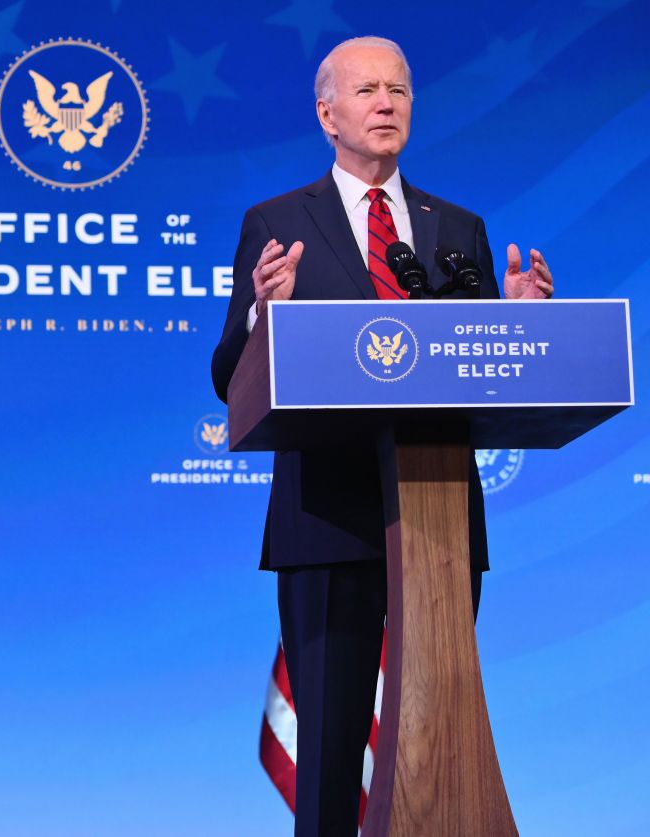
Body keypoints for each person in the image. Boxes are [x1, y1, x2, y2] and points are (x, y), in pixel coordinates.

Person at [210, 37, 553, 836]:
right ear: (327, 114)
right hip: (327, 520)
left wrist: (519, 329)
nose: (388, 102)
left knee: (440, 740)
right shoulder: (276, 222)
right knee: (330, 752)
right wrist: (269, 313)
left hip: (438, 518)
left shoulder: (455, 226)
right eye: (367, 89)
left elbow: (473, 371)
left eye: (399, 88)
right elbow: (228, 374)